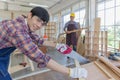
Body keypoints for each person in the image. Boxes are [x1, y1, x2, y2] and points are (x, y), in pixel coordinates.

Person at [0, 7, 87, 80]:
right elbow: (39, 57)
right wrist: (70, 72)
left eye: (42, 24)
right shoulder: (17, 30)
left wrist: (56, 45)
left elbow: (37, 39)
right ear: (30, 15)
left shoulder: (23, 23)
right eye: (38, 20)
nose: (39, 25)